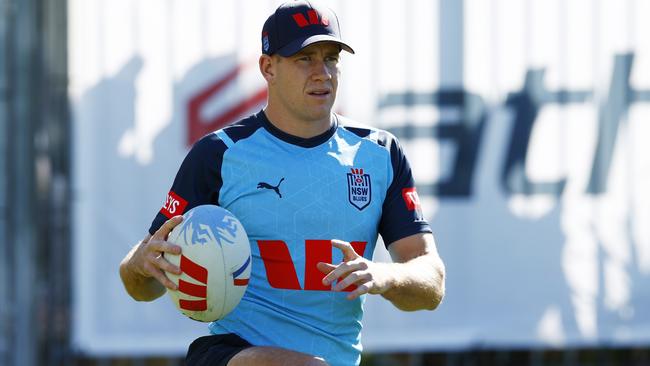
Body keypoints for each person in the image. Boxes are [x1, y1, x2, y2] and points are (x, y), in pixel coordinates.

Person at [119, 1, 446, 365]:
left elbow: (432, 284)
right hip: (230, 354)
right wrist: (138, 265)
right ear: (268, 67)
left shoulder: (379, 154)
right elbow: (140, 285)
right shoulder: (220, 154)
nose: (322, 73)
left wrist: (385, 275)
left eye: (331, 57)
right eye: (304, 58)